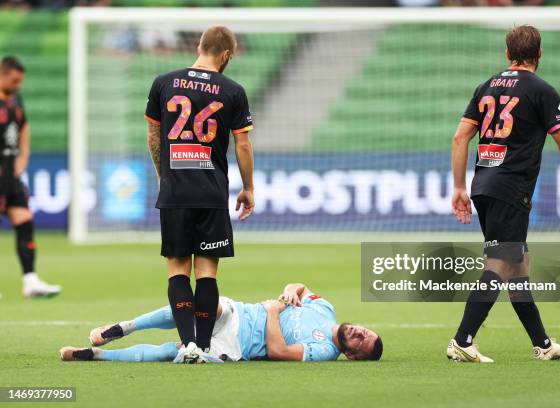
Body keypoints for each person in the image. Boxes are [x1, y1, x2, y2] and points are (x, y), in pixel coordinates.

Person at [448, 25, 560, 362]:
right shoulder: (542, 90)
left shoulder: (486, 87)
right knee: (501, 262)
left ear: (507, 53)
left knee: (517, 263)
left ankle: (542, 343)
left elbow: (459, 138)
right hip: (511, 189)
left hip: (484, 187)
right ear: (539, 54)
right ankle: (462, 340)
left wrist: (459, 187)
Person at [144, 26, 255, 363]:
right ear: (226, 55)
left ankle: (188, 344)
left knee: (178, 269)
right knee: (207, 271)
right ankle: (204, 348)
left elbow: (153, 135)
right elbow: (243, 144)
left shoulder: (164, 82)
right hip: (211, 194)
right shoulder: (232, 90)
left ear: (199, 46)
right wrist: (248, 188)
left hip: (175, 192)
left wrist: (165, 177)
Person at [59, 283, 383, 363]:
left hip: (238, 345)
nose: (357, 332)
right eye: (364, 331)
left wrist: (272, 312)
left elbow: (279, 352)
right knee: (205, 305)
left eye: (359, 342)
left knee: (176, 350)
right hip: (240, 312)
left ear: (352, 355)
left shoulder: (324, 350)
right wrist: (289, 290)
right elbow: (300, 287)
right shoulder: (325, 308)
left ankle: (93, 355)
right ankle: (124, 327)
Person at [0, 56, 61, 298]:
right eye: (15, 80)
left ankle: (30, 281)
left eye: (20, 81)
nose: (18, 85)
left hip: (10, 178)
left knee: (24, 221)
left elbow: (23, 127)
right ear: (3, 75)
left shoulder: (16, 100)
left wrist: (23, 158)